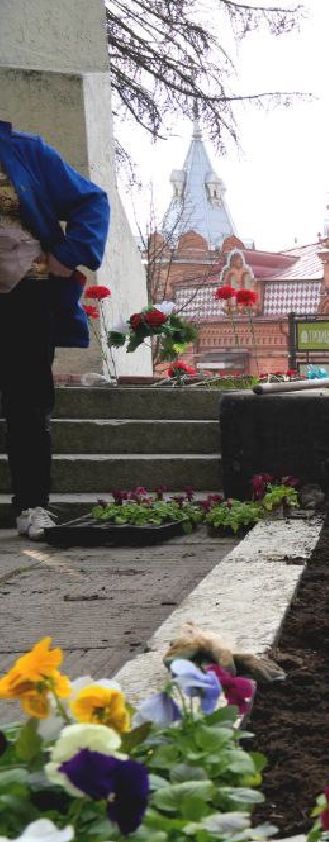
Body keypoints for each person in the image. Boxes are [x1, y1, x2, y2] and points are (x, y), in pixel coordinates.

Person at [0, 120, 109, 540]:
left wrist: (70, 252)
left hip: (25, 295)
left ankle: (32, 505)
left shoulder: (25, 151)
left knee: (27, 402)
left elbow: (90, 201)